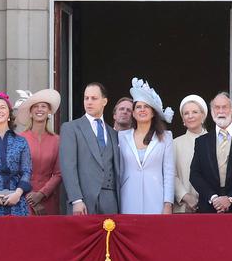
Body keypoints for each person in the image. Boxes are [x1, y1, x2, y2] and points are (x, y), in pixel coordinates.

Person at [59, 82, 123, 215]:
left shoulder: (114, 134)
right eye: (86, 98)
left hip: (111, 201)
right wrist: (76, 200)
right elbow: (68, 167)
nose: (89, 102)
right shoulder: (71, 128)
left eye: (94, 98)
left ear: (104, 101)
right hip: (83, 201)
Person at [189, 93, 232, 213]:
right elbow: (194, 175)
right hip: (209, 208)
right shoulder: (201, 142)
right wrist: (214, 198)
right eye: (217, 107)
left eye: (224, 107)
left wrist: (230, 199)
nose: (220, 111)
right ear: (211, 111)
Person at [117, 78, 175, 215]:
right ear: (133, 113)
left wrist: (168, 203)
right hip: (128, 197)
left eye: (146, 107)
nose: (142, 110)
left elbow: (169, 172)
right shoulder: (121, 137)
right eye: (138, 107)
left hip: (156, 197)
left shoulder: (166, 137)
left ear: (153, 112)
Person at [16, 89, 62, 215]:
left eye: (43, 106)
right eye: (35, 107)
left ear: (49, 112)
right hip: (24, 197)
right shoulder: (20, 139)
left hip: (48, 198)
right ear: (30, 113)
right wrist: (29, 194)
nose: (39, 109)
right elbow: (15, 171)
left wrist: (42, 194)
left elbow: (58, 173)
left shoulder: (57, 140)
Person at [172, 95, 209, 214]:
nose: (190, 116)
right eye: (186, 113)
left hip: (211, 207)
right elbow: (170, 174)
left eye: (195, 112)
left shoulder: (215, 141)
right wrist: (186, 197)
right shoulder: (175, 143)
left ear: (203, 115)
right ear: (183, 119)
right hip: (183, 208)